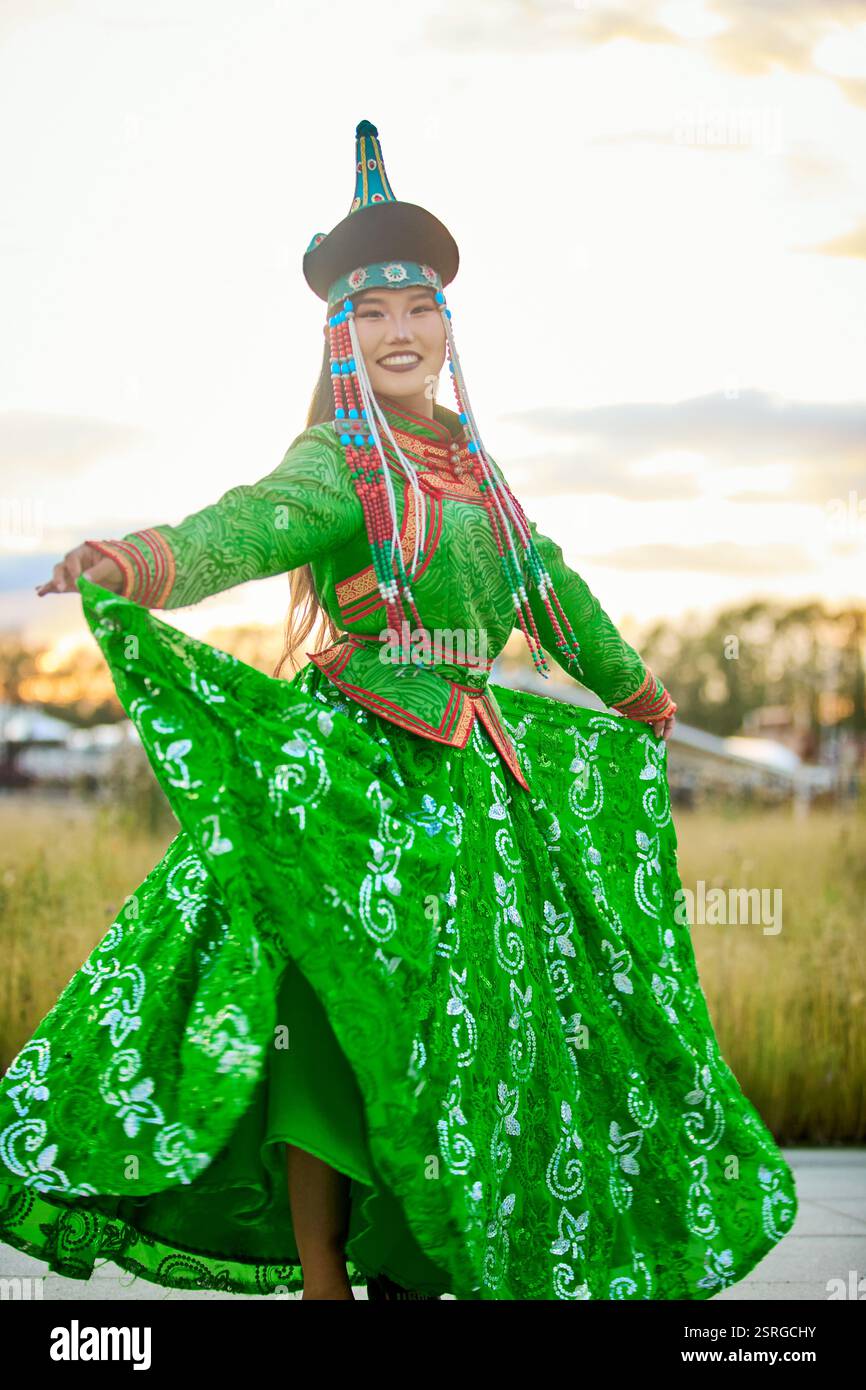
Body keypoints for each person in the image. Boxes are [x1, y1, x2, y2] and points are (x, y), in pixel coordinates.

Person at [0, 120, 796, 1301]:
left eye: (415, 308)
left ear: (445, 326)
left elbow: (552, 591)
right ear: (340, 336)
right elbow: (248, 522)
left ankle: (428, 1256)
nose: (397, 332)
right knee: (330, 1010)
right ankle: (324, 1274)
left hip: (480, 787)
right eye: (368, 314)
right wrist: (138, 560)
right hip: (353, 777)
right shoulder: (338, 460)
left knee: (476, 1032)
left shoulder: (478, 471)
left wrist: (635, 690)